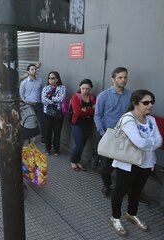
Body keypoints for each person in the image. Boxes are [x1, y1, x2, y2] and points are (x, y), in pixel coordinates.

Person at [109, 89, 162, 236]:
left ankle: (131, 214)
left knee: (137, 190)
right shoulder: (128, 119)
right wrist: (150, 142)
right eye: (146, 102)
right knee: (120, 190)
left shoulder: (150, 119)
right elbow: (139, 142)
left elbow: (159, 141)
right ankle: (115, 217)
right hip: (127, 161)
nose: (150, 105)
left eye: (152, 102)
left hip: (146, 162)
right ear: (135, 103)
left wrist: (147, 142)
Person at [94, 67, 131, 197]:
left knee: (124, 164)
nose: (123, 80)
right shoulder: (104, 95)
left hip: (125, 136)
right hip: (108, 136)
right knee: (106, 166)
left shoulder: (130, 95)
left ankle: (122, 187)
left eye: (125, 77)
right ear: (113, 79)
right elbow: (97, 115)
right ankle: (107, 185)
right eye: (120, 77)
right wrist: (102, 132)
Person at [69, 79, 96, 171]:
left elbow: (96, 110)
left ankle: (78, 161)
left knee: (82, 145)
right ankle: (73, 161)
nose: (85, 91)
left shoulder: (92, 98)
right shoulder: (75, 98)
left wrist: (86, 110)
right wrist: (90, 110)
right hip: (77, 124)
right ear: (80, 87)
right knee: (79, 145)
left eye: (87, 89)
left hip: (88, 124)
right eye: (83, 88)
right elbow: (78, 112)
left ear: (90, 89)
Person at [41, 71, 66, 156]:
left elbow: (61, 99)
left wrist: (50, 98)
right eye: (49, 78)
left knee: (57, 132)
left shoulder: (62, 88)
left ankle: (56, 149)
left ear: (57, 79)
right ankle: (48, 148)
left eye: (52, 78)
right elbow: (43, 100)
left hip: (58, 113)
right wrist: (54, 99)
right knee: (48, 132)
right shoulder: (45, 88)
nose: (50, 80)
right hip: (47, 113)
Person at [19, 64, 45, 144]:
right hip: (29, 106)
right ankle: (30, 139)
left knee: (42, 122)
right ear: (28, 71)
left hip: (39, 105)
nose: (34, 70)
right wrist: (26, 102)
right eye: (32, 69)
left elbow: (42, 92)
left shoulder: (40, 80)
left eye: (35, 69)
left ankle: (43, 139)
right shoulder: (24, 82)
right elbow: (21, 94)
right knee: (30, 122)